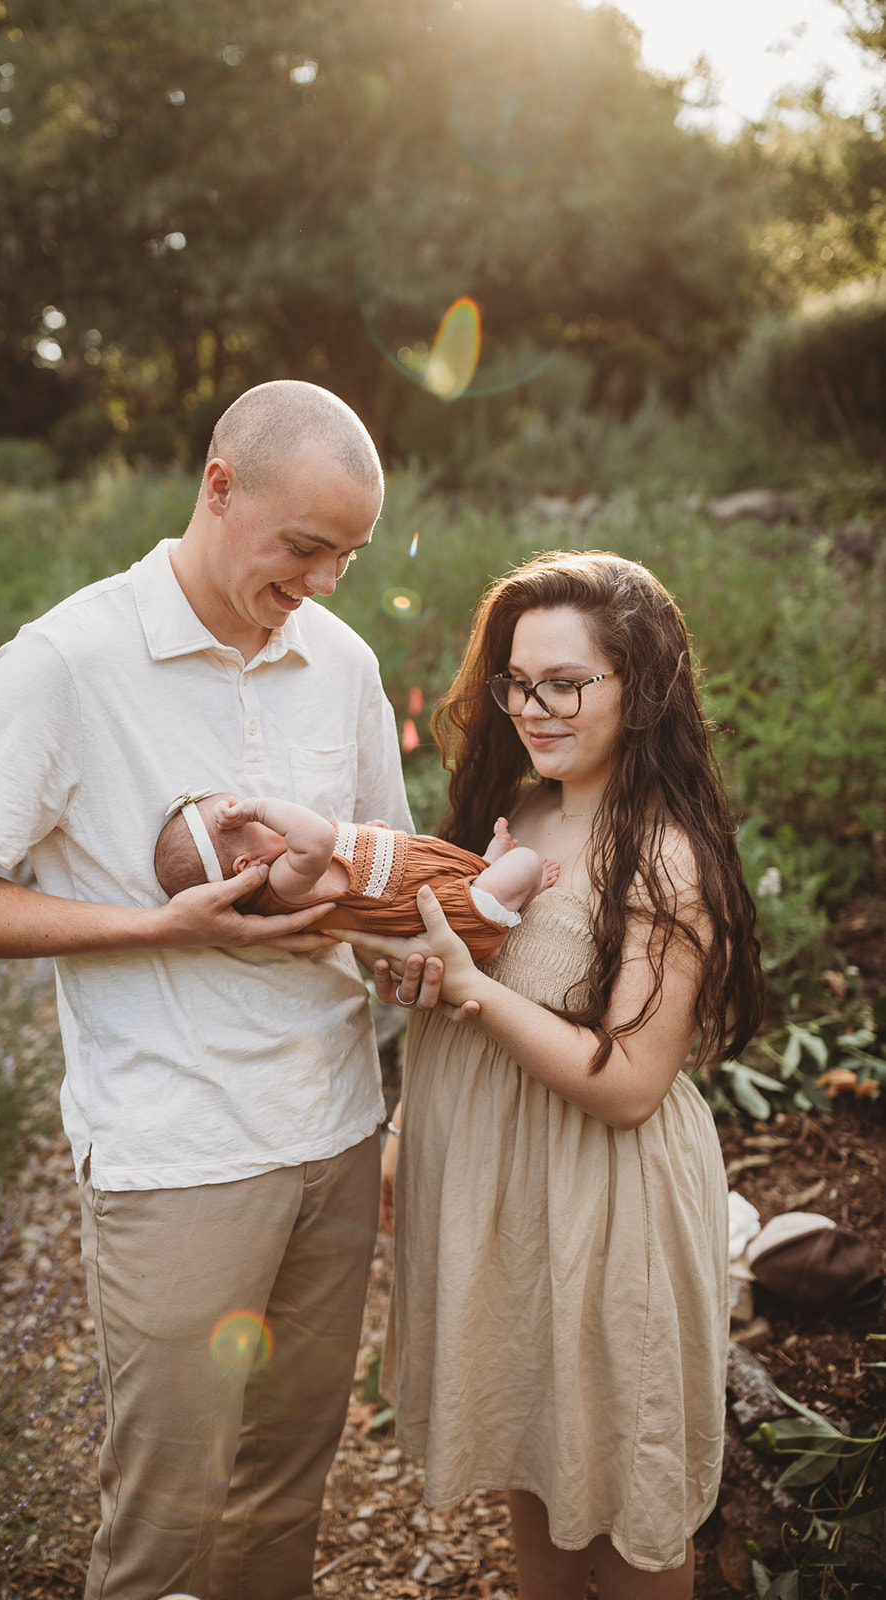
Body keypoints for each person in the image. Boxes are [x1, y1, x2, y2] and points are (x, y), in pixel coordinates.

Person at [0, 380, 415, 1600]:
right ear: (219, 489)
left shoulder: (342, 662)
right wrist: (149, 925)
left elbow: (380, 871)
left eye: (350, 555)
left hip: (334, 1133)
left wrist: (422, 938)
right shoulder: (70, 660)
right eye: (305, 547)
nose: (326, 581)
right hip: (176, 1149)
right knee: (162, 1527)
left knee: (286, 1492)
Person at [335, 550, 764, 1600]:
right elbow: (492, 979)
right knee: (537, 1448)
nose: (533, 706)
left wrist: (472, 990)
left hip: (604, 1198)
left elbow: (626, 1084)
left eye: (565, 683)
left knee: (625, 1491)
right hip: (510, 1189)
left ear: (644, 688)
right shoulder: (519, 812)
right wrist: (432, 990)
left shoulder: (663, 856)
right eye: (517, 681)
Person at [153, 790, 559, 964]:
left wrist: (368, 834)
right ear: (245, 865)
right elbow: (318, 837)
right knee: (526, 859)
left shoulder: (295, 865)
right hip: (455, 912)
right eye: (245, 820)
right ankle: (522, 887)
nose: (252, 807)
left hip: (441, 878)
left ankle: (487, 868)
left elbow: (339, 847)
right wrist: (258, 806)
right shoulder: (281, 883)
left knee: (471, 870)